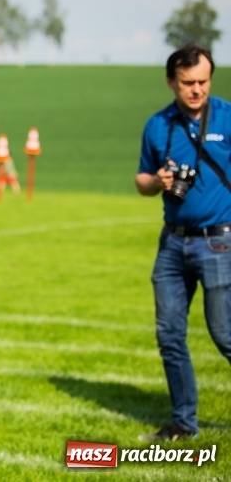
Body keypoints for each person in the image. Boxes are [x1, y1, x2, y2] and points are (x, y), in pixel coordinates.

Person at [135, 43, 231, 441]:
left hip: (219, 244)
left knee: (226, 334)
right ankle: (184, 423)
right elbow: (141, 180)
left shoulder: (227, 116)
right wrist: (158, 181)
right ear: (171, 82)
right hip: (172, 244)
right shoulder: (158, 125)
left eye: (203, 81)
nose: (197, 89)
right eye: (188, 82)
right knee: (170, 336)